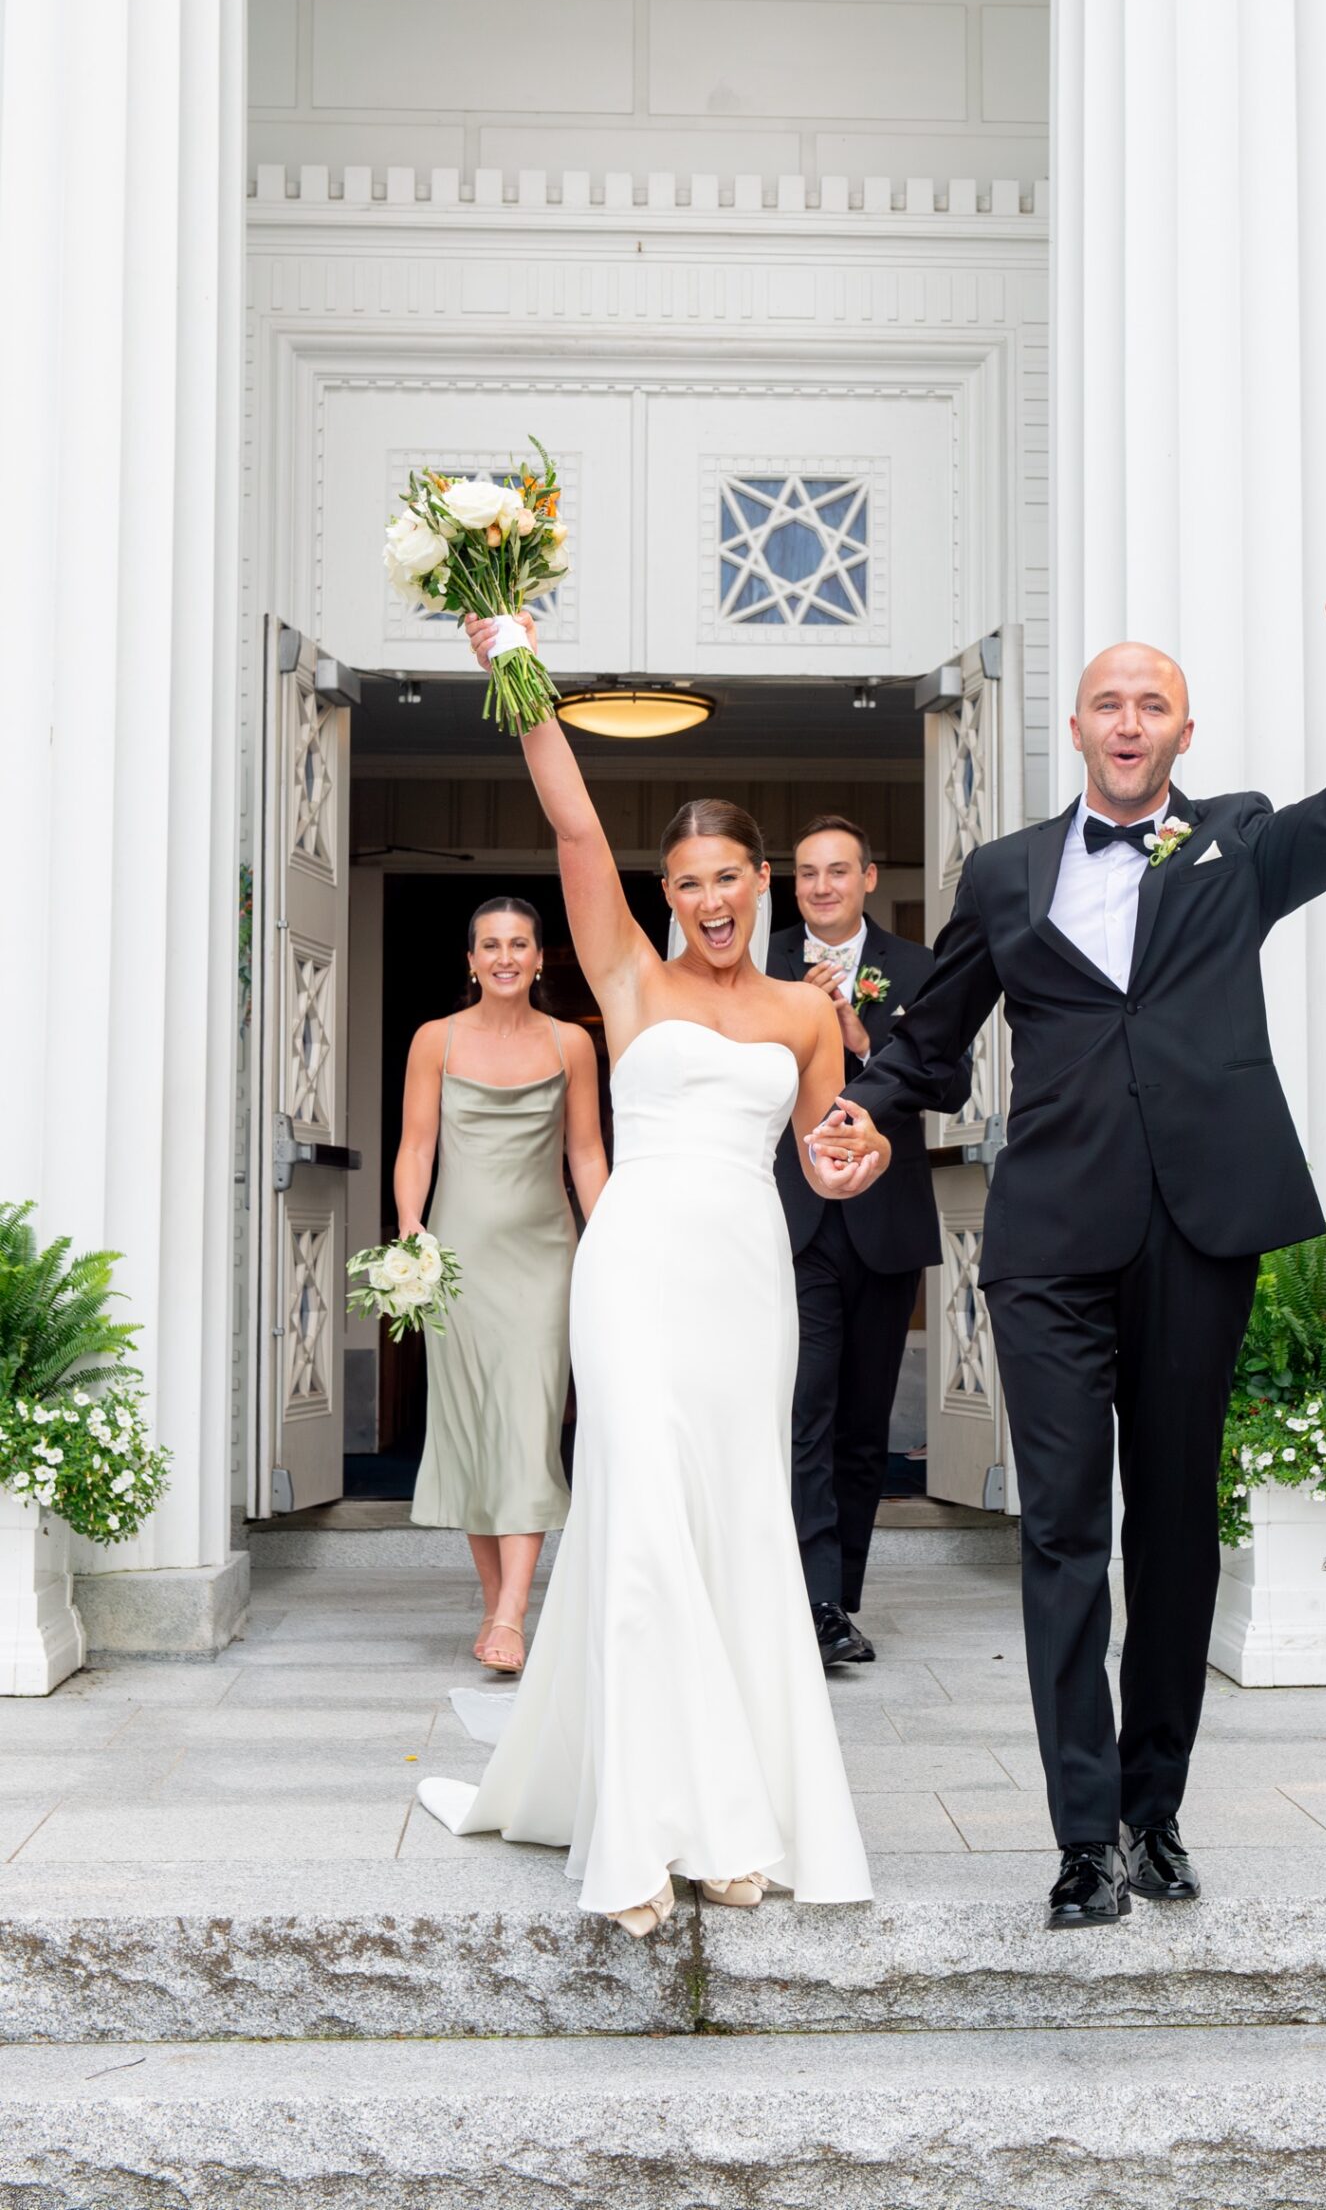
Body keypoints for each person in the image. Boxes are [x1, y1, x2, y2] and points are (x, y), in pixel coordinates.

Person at [840, 585, 1326, 1928]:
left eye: (1149, 701)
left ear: (1181, 730)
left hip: (1196, 1230)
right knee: (1059, 1531)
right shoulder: (1002, 873)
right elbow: (927, 1043)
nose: (1126, 719)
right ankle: (1078, 1836)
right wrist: (858, 1113)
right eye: (1106, 700)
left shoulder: (1238, 844)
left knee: (1171, 1529)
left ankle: (1152, 1811)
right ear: (1078, 728)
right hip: (1047, 1238)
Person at [417, 610, 881, 1935]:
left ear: (764, 879)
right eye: (685, 881)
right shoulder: (622, 975)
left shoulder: (805, 1014)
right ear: (665, 895)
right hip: (632, 1267)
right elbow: (570, 829)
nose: (710, 899)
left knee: (732, 1525)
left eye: (729, 875)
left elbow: (825, 1150)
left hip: (745, 1272)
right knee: (640, 1527)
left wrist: (854, 1163)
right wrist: (513, 665)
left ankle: (729, 1816)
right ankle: (640, 1836)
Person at [769, 816, 970, 1667]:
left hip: (883, 1220)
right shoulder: (757, 961)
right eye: (807, 873)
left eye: (837, 872)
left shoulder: (918, 968)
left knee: (861, 1426)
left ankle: (839, 1601)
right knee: (804, 1413)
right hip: (791, 1219)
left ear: (868, 878)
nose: (820, 887)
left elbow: (950, 1082)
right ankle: (805, 1603)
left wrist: (859, 1037)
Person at [395, 897, 608, 1673]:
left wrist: (608, 1238)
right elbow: (416, 1145)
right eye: (491, 945)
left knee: (525, 1424)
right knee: (473, 1433)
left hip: (544, 1258)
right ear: (472, 960)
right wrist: (410, 1231)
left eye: (520, 944)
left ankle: (513, 1614)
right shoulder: (434, 1041)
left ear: (542, 957)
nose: (506, 957)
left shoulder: (571, 1046)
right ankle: (499, 1609)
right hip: (455, 1263)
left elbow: (585, 1153)